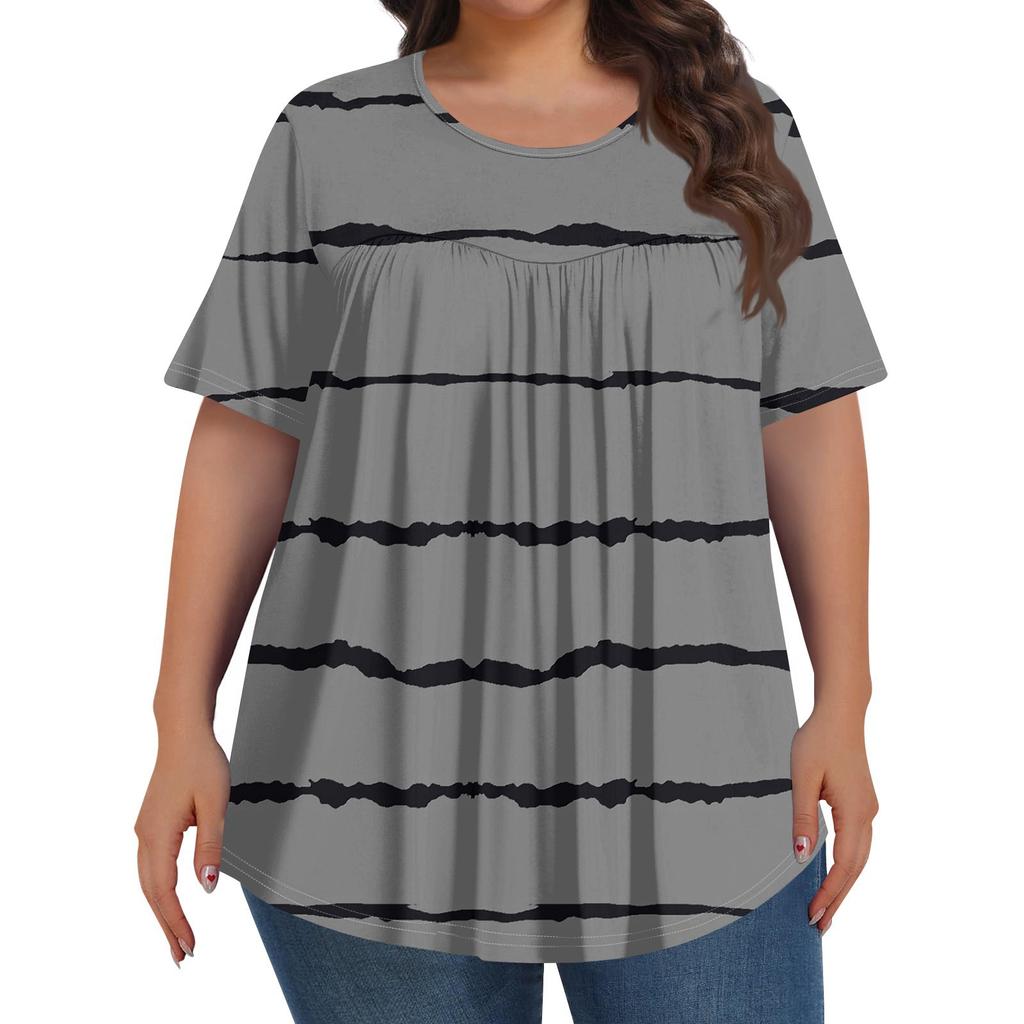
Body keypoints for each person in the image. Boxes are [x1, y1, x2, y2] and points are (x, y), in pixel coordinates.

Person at [135, 1, 886, 1020]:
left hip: (699, 784)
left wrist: (845, 703)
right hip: (363, 794)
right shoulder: (327, 134)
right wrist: (179, 718)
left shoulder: (742, 133)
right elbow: (247, 436)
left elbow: (808, 420)